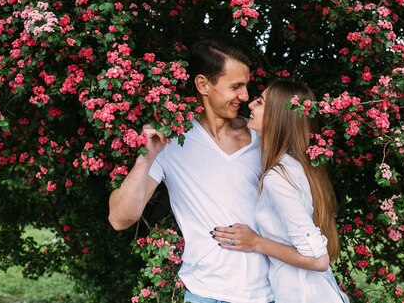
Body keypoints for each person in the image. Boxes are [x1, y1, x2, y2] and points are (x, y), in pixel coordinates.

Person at [108, 38, 273, 303]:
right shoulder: (170, 142)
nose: (245, 96)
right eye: (236, 86)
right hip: (204, 295)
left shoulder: (262, 138)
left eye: (246, 85)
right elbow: (119, 218)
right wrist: (145, 159)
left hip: (269, 294)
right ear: (203, 85)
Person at [211, 81, 349, 303]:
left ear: (277, 116)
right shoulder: (296, 166)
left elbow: (318, 259)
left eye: (261, 102)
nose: (251, 104)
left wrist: (255, 242)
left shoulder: (278, 177)